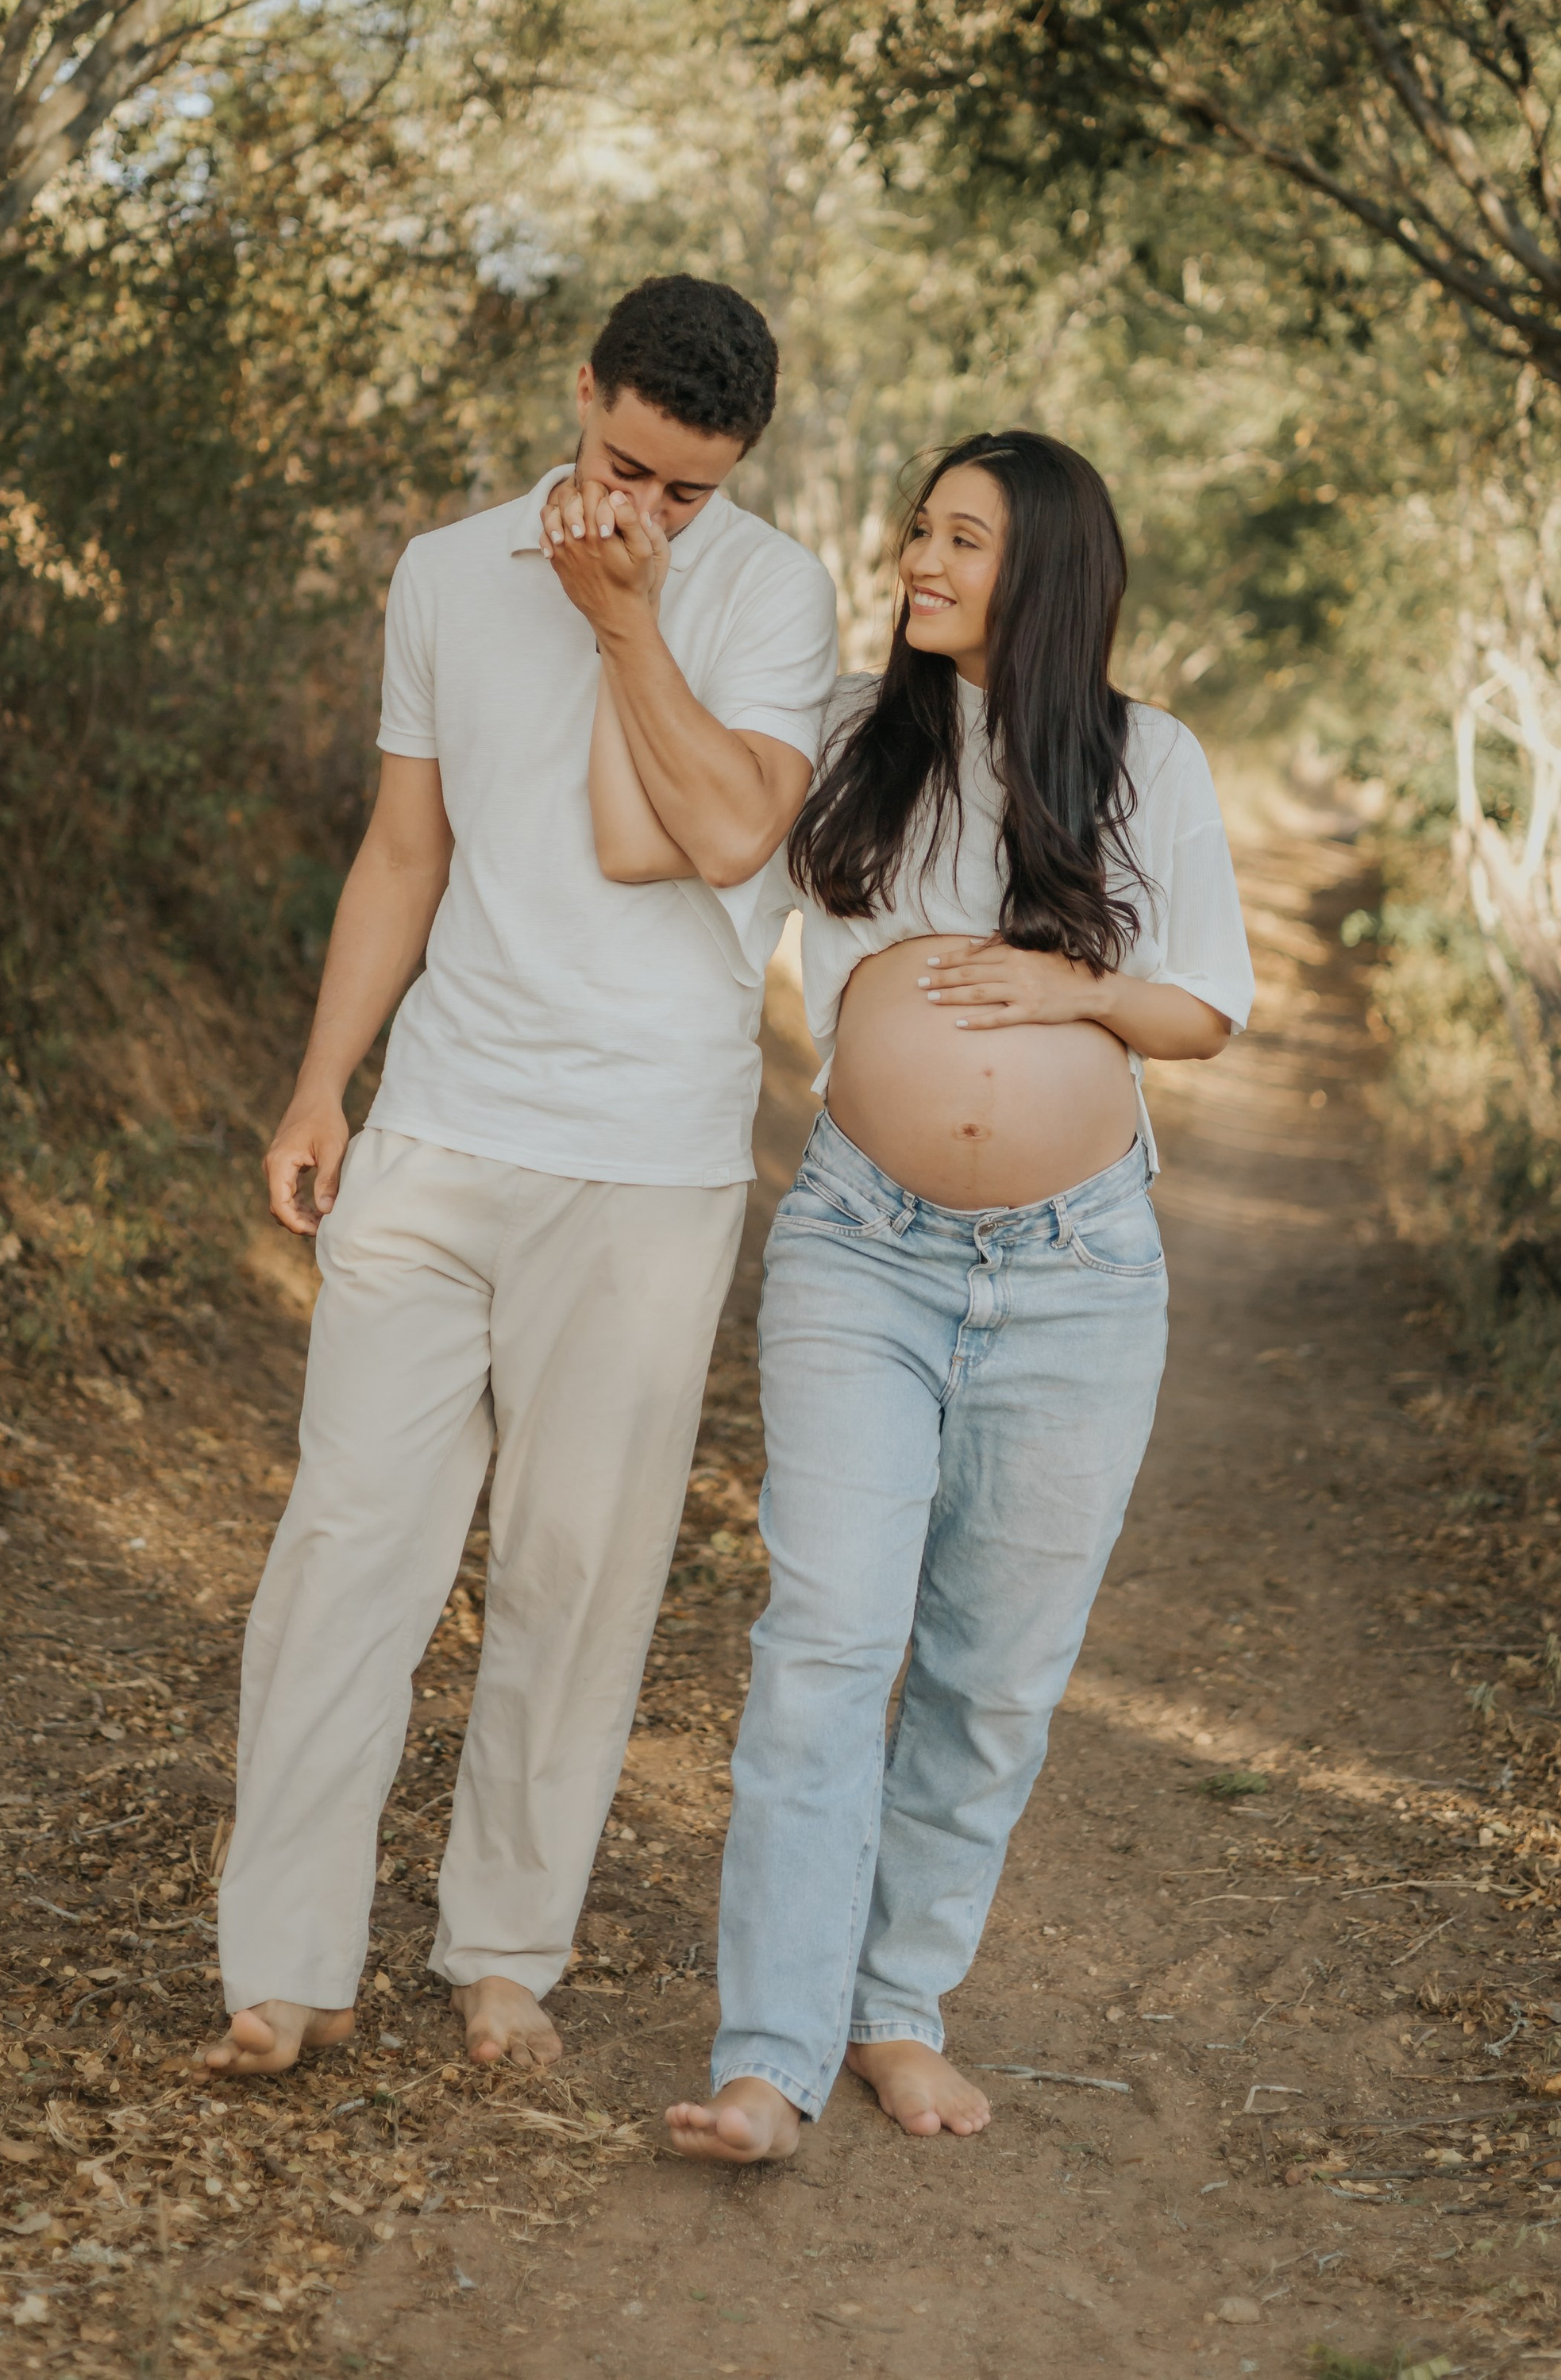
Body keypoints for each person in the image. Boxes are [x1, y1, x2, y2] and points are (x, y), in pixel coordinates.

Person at [198, 275, 839, 2082]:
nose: (651, 510)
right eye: (628, 468)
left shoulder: (772, 593)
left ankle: (501, 1954)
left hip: (648, 1160)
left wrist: (626, 618)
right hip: (437, 1129)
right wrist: (322, 1083)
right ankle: (285, 1968)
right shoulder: (441, 571)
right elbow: (406, 850)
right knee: (346, 1546)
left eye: (691, 489)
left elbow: (729, 830)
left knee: (578, 1567)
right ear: (582, 395)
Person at [594, 429, 1254, 2162]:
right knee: (825, 1642)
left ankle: (897, 2008)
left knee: (993, 1673)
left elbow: (1202, 1006)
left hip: (1079, 1274)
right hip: (859, 1249)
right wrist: (625, 628)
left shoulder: (1145, 759)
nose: (920, 561)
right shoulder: (842, 735)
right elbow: (667, 831)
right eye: (918, 530)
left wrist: (1070, 992)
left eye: (964, 538)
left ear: (1048, 570)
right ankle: (769, 2054)